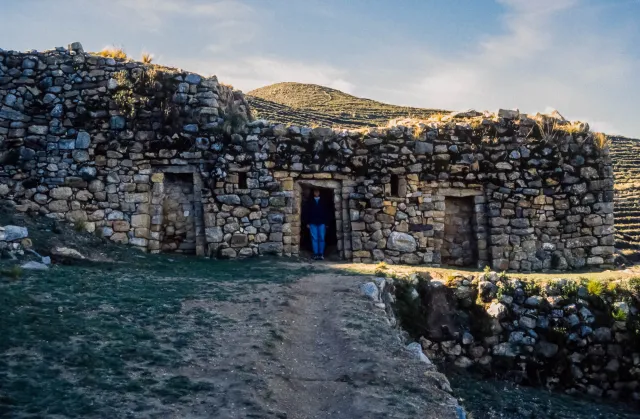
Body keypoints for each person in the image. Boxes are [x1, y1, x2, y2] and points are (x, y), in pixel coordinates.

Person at [305, 188, 329, 260]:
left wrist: (327, 223)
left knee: (321, 238)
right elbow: (307, 213)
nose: (316, 192)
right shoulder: (310, 201)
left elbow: (327, 212)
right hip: (312, 222)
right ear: (313, 192)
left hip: (322, 222)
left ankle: (321, 254)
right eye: (315, 191)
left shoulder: (324, 201)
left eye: (317, 191)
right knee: (314, 238)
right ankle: (315, 254)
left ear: (319, 192)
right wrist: (307, 222)